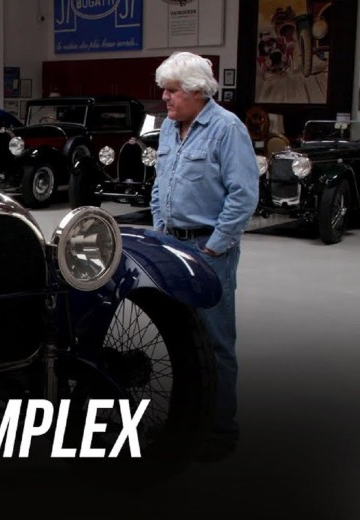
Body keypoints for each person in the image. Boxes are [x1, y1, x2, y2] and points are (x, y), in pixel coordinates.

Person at [149, 52, 259, 461]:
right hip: (172, 247)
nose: (165, 98)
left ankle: (220, 428)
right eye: (164, 89)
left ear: (197, 91)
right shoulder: (168, 129)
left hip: (208, 250)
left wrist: (213, 245)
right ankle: (186, 420)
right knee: (182, 340)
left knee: (215, 342)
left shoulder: (227, 129)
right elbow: (160, 185)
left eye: (172, 90)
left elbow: (244, 195)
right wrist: (161, 231)